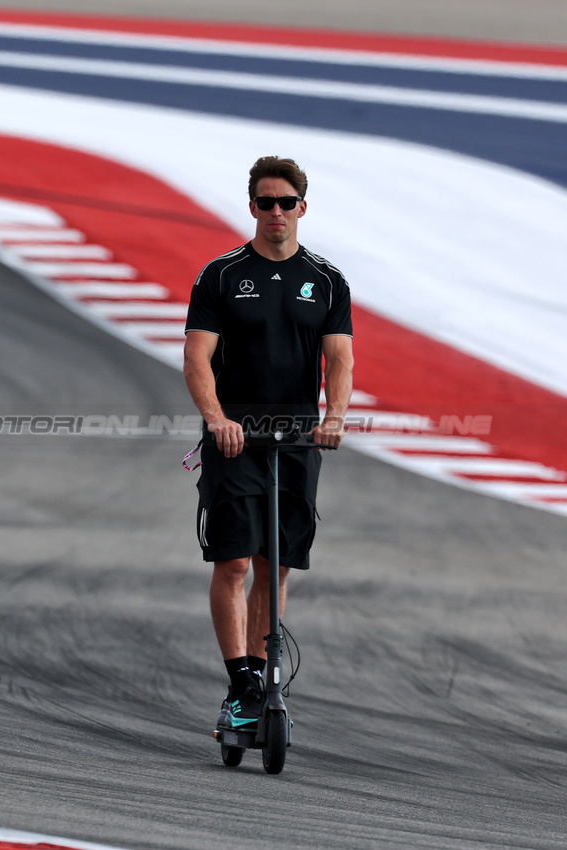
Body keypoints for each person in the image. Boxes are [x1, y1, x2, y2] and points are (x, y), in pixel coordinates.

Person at [182, 156, 354, 731]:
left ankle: (261, 676)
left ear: (302, 207)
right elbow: (197, 357)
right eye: (265, 202)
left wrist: (335, 417)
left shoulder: (327, 281)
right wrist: (216, 419)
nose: (275, 212)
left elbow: (340, 359)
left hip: (298, 437)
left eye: (285, 202)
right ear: (252, 206)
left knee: (273, 565)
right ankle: (240, 687)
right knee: (233, 560)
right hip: (235, 437)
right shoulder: (221, 275)